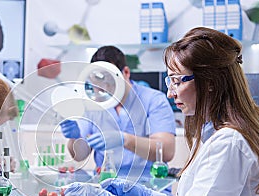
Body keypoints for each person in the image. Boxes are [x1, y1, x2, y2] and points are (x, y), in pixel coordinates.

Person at [62, 27, 259, 196]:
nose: (171, 92)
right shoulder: (219, 136)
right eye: (169, 81)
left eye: (176, 80)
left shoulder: (230, 144)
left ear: (211, 82)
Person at [60, 45, 176, 178]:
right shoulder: (92, 103)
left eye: (109, 82)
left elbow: (166, 151)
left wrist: (125, 140)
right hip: (106, 181)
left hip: (147, 183)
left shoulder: (153, 100)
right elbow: (80, 156)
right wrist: (75, 138)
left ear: (126, 73)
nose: (104, 89)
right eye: (97, 85)